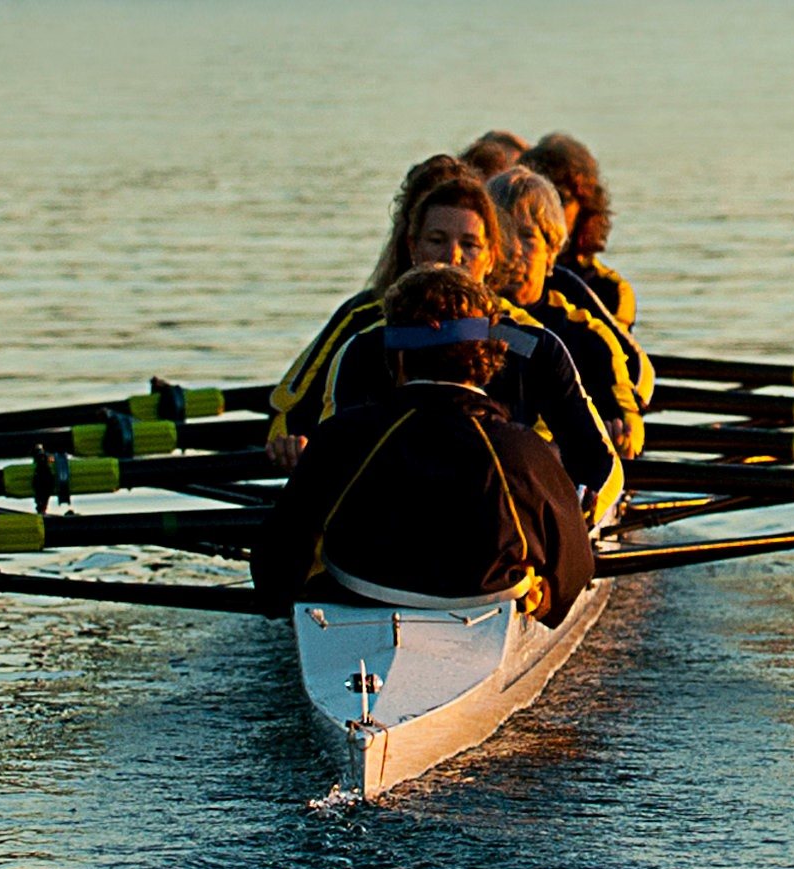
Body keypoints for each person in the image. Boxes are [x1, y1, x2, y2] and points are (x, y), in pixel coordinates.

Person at [257, 267, 594, 623]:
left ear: (396, 358)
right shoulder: (523, 451)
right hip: (483, 608)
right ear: (489, 360)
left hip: (361, 601)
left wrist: (281, 602)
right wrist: (546, 603)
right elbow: (576, 567)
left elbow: (275, 557)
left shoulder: (341, 437)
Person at [267, 155, 500, 466]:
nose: (452, 255)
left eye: (468, 242)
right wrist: (292, 445)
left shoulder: (519, 335)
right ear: (411, 242)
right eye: (436, 237)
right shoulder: (364, 329)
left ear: (491, 253)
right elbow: (297, 417)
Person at [476, 163, 645, 459]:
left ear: (552, 252)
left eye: (528, 237)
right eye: (504, 234)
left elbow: (630, 427)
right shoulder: (467, 322)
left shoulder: (588, 336)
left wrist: (622, 434)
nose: (514, 250)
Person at [521, 132, 629, 327]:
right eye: (538, 200)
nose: (549, 211)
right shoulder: (502, 276)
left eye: (561, 199)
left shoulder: (609, 289)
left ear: (585, 207)